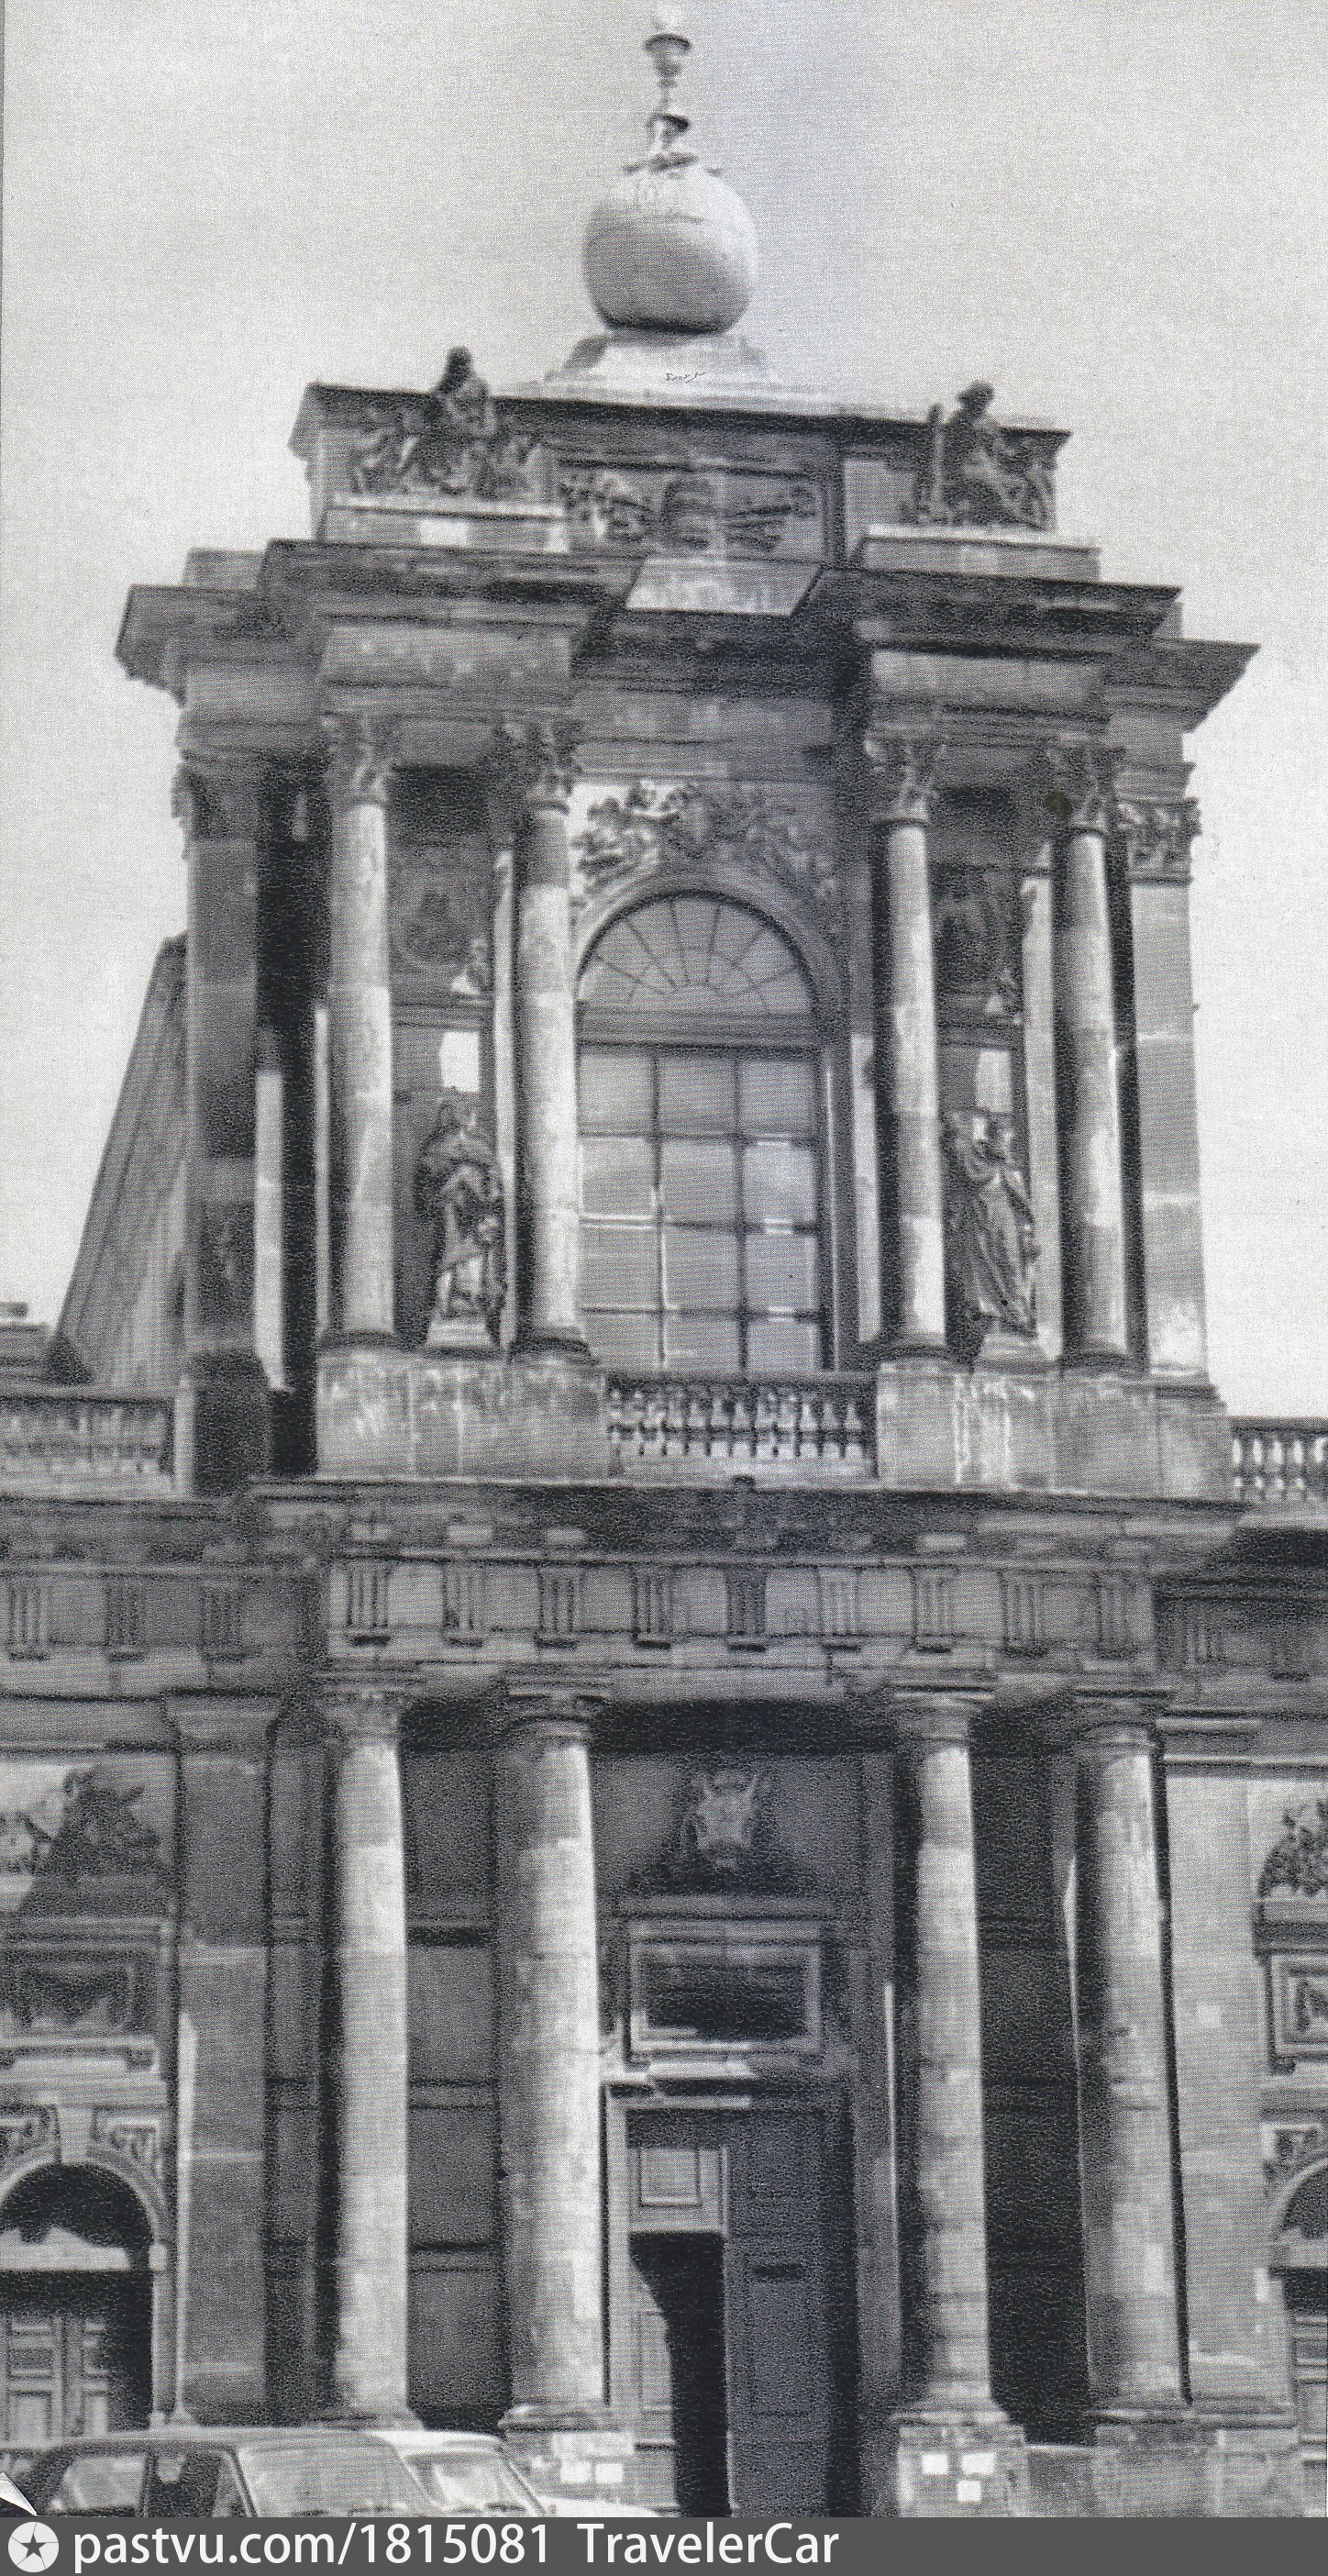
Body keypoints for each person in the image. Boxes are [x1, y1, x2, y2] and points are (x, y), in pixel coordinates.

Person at [413, 1095, 505, 1343]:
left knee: (472, 1262)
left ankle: (467, 1305)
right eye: (465, 1115)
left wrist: (483, 1190)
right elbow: (428, 1183)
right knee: (451, 1261)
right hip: (452, 1217)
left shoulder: (477, 1146)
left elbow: (493, 1186)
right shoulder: (440, 1146)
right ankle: (450, 1307)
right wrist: (458, 1182)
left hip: (475, 1221)